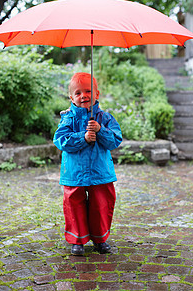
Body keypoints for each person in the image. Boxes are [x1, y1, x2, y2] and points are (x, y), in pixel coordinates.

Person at [53, 72, 122, 255]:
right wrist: (82, 137)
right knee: (74, 205)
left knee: (101, 204)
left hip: (100, 172)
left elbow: (115, 140)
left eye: (88, 91)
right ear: (71, 97)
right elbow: (60, 140)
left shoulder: (105, 118)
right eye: (78, 93)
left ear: (97, 94)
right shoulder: (68, 118)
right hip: (74, 172)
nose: (83, 95)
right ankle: (78, 239)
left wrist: (100, 130)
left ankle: (100, 239)